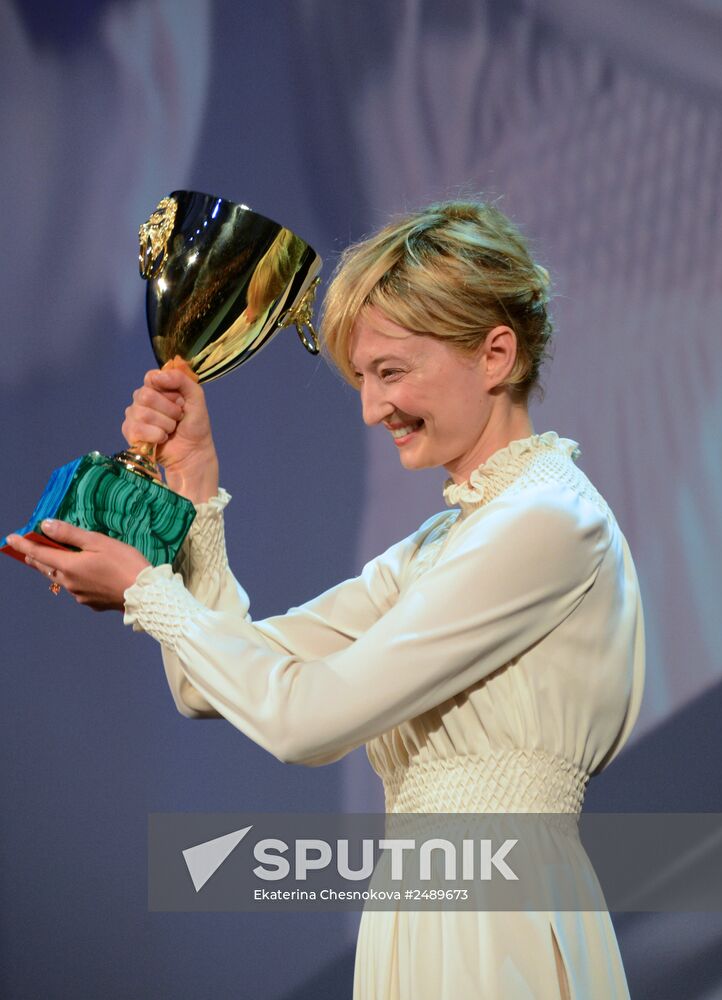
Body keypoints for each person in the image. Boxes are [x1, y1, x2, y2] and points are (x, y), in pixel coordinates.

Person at [7, 200, 645, 998]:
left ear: (494, 354)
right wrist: (196, 493)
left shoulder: (547, 522)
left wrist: (144, 589)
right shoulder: (441, 546)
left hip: (494, 918)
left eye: (391, 372)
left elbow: (306, 724)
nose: (373, 409)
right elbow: (209, 683)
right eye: (361, 379)